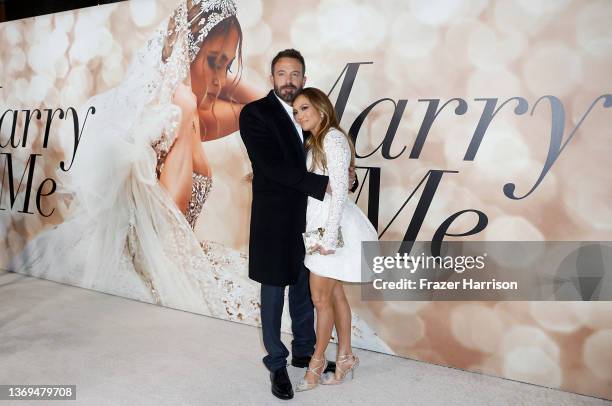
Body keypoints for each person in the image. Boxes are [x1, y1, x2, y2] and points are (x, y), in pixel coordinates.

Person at [11, 0, 263, 323]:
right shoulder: (169, 112)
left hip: (180, 264)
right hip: (154, 268)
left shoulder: (198, 111)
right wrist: (185, 112)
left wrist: (212, 72)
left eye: (227, 66)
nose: (219, 79)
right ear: (188, 54)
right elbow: (171, 216)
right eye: (213, 61)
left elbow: (264, 105)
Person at [291, 88, 378, 391]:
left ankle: (315, 365)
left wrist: (329, 239)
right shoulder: (316, 140)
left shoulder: (332, 138)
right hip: (320, 228)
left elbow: (340, 191)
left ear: (321, 109)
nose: (300, 115)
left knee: (320, 299)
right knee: (336, 294)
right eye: (296, 111)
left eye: (304, 108)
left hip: (332, 232)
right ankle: (345, 358)